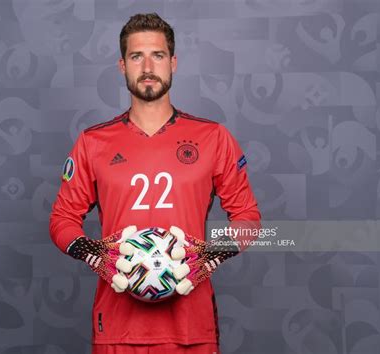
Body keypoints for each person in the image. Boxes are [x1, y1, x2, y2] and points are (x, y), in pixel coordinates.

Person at [49, 12, 261, 354]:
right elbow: (61, 220)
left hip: (192, 327)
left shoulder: (212, 137)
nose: (148, 66)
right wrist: (96, 255)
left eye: (158, 55)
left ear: (173, 63)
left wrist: (211, 255)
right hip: (117, 328)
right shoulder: (93, 142)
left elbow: (250, 219)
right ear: (122, 66)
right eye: (137, 56)